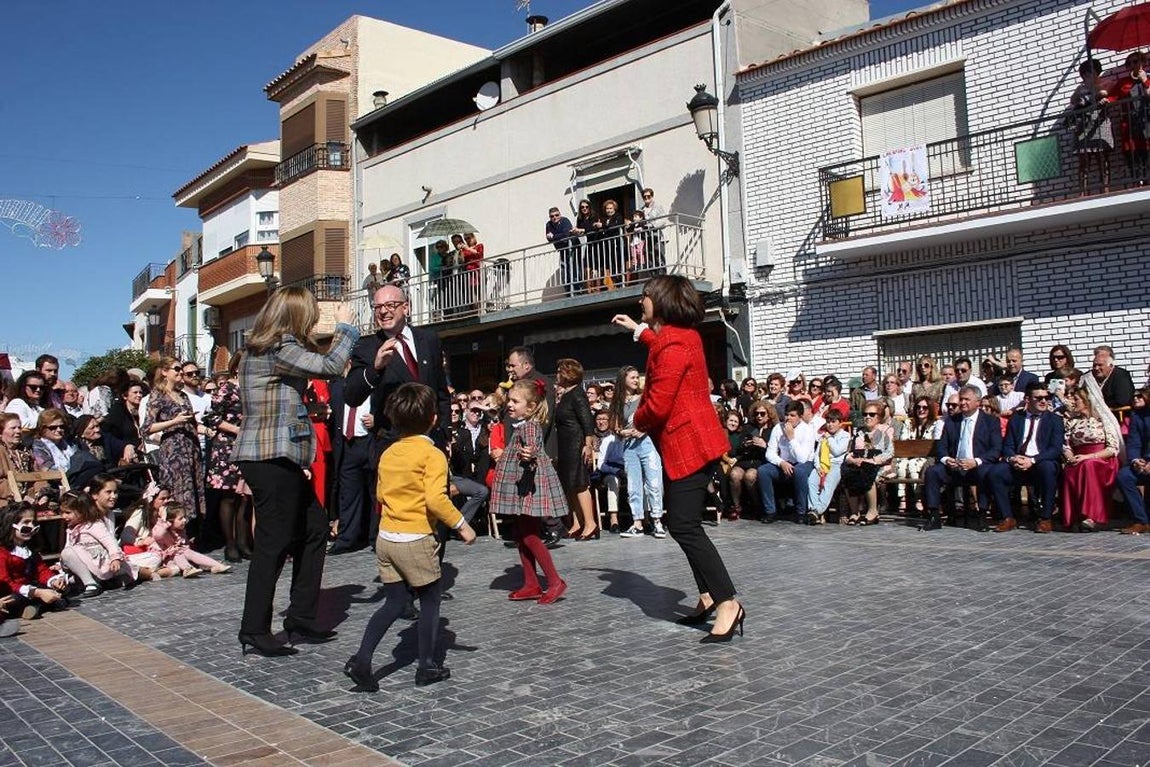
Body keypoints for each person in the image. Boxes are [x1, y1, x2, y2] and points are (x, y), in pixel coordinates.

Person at [612, 275, 743, 643]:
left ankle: (728, 602)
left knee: (685, 526)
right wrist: (639, 330)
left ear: (662, 300)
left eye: (645, 296)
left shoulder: (673, 342)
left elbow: (658, 403)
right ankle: (708, 595)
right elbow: (661, 348)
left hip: (689, 445)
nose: (641, 301)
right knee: (684, 523)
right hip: (691, 444)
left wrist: (634, 422)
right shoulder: (681, 336)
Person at [232, 287, 359, 658]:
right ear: (295, 315)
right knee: (273, 542)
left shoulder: (264, 348)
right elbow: (331, 367)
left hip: (274, 454)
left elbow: (274, 402)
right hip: (268, 456)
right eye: (311, 314)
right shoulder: (277, 347)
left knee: (315, 528)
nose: (314, 320)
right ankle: (254, 628)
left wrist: (307, 413)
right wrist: (346, 329)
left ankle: (300, 617)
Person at [344, 383, 476, 691]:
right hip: (415, 538)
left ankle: (362, 659)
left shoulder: (389, 452)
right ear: (433, 419)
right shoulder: (432, 454)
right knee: (430, 601)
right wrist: (462, 525)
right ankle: (426, 665)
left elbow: (380, 494)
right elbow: (435, 499)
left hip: (386, 538)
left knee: (393, 602)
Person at [345, 284, 451, 544]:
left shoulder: (429, 340)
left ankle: (432, 564)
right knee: (402, 520)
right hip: (394, 445)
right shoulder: (366, 347)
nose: (384, 312)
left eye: (390, 305)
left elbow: (441, 392)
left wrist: (445, 432)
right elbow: (352, 395)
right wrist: (375, 368)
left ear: (406, 307)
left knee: (436, 513)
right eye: (378, 307)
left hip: (432, 443)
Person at [490, 379, 568, 604]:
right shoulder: (522, 425)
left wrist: (529, 455)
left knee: (530, 535)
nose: (510, 404)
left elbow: (532, 447)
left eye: (516, 401)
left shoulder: (530, 426)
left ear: (531, 406)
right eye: (510, 400)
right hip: (522, 485)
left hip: (529, 486)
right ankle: (531, 583)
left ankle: (554, 581)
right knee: (521, 533)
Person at [921, 385, 1002, 531]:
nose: (963, 403)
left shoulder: (990, 421)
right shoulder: (952, 421)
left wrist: (976, 462)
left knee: (985, 472)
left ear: (978, 402)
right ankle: (934, 515)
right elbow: (942, 446)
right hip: (955, 465)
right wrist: (946, 459)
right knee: (933, 472)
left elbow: (995, 450)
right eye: (961, 399)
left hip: (977, 465)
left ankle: (982, 515)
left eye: (967, 400)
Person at [986, 382, 1065, 533]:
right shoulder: (1017, 418)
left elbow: (1055, 449)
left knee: (1048, 468)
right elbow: (1008, 445)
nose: (1043, 401)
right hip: (1019, 461)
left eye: (1046, 397)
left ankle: (1045, 518)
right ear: (1027, 399)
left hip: (1040, 461)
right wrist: (1012, 458)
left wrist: (1032, 460)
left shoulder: (1054, 420)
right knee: (996, 472)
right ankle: (1007, 517)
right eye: (1038, 398)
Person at [143, 357, 207, 532]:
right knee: (178, 493)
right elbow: (147, 428)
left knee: (193, 491)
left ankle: (192, 534)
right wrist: (174, 421)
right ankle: (174, 534)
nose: (180, 372)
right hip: (174, 452)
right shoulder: (157, 394)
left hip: (191, 448)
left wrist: (207, 430)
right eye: (177, 369)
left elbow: (192, 423)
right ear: (165, 372)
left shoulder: (183, 395)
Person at [609, 365, 666, 538]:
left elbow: (656, 418)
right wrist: (622, 432)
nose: (636, 380)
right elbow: (615, 427)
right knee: (633, 486)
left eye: (636, 377)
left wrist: (644, 429)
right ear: (623, 379)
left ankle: (657, 521)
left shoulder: (643, 398)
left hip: (647, 443)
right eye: (632, 377)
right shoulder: (617, 402)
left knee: (654, 483)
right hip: (629, 446)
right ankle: (637, 523)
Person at [202, 359, 250, 563]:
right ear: (236, 367)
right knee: (228, 497)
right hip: (227, 446)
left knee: (244, 496)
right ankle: (230, 544)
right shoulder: (226, 388)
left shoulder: (252, 387)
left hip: (247, 446)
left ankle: (243, 541)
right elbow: (212, 417)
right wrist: (236, 429)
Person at [1061, 380, 1122, 532]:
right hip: (1079, 458)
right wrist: (1069, 457)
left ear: (1086, 401)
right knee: (1070, 469)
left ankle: (1091, 516)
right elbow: (1066, 445)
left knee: (1087, 466)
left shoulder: (1102, 421)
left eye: (1076, 399)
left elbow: (1112, 448)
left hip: (1102, 459)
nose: (1072, 402)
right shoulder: (1072, 422)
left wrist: (1088, 457)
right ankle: (1075, 516)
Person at [58, 486, 137, 597]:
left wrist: (115, 558)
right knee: (67, 556)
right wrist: (62, 564)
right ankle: (93, 581)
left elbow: (109, 541)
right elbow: (68, 548)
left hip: (99, 564)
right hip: (85, 565)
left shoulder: (93, 525)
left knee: (67, 553)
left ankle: (91, 583)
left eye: (68, 512)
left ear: (82, 511)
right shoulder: (71, 529)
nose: (63, 516)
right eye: (62, 512)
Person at [0, 503, 70, 620]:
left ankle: (36, 606)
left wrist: (53, 581)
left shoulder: (29, 549)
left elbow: (41, 570)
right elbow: (6, 582)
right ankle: (39, 606)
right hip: (12, 591)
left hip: (30, 587)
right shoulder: (3, 552)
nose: (31, 527)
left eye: (33, 523)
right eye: (26, 523)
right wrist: (37, 592)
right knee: (13, 600)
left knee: (59, 589)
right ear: (11, 525)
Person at [553, 359, 597, 540]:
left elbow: (587, 421)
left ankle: (590, 523)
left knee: (579, 483)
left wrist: (588, 445)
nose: (557, 374)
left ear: (567, 374)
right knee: (570, 485)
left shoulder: (577, 394)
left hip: (576, 444)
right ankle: (577, 522)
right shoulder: (566, 394)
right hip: (565, 445)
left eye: (559, 371)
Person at [757, 401, 817, 524]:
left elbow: (802, 458)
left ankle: (801, 512)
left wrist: (791, 438)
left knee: (799, 472)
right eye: (787, 415)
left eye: (792, 415)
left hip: (803, 463)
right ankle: (770, 511)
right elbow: (770, 453)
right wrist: (781, 463)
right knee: (763, 471)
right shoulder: (778, 428)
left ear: (800, 416)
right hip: (784, 462)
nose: (788, 418)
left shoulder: (807, 430)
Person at [840, 403, 894, 526]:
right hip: (860, 464)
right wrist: (852, 460)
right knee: (848, 471)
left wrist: (873, 461)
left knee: (867, 471)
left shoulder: (886, 431)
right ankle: (854, 512)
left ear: (878, 417)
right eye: (865, 414)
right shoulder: (859, 432)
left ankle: (872, 511)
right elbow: (849, 452)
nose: (867, 417)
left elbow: (889, 453)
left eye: (871, 414)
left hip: (880, 465)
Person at [151, 501, 231, 577]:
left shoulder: (180, 530)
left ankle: (216, 565)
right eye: (180, 518)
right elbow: (159, 534)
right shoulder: (162, 529)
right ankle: (188, 569)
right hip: (168, 559)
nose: (184, 520)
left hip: (181, 556)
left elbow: (185, 546)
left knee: (188, 552)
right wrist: (163, 520)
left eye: (184, 517)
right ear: (170, 521)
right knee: (178, 554)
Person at [806, 410, 850, 524]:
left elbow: (837, 451)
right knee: (811, 481)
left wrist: (829, 438)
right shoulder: (823, 437)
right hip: (822, 464)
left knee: (828, 484)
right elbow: (817, 454)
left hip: (836, 464)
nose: (830, 425)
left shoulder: (845, 436)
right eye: (828, 422)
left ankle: (817, 510)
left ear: (840, 423)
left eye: (833, 422)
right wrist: (818, 467)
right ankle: (813, 510)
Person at [1117, 387, 1150, 534]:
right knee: (1124, 476)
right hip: (1143, 462)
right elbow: (1133, 442)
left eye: (1140, 396)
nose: (1136, 399)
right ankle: (1141, 520)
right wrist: (1135, 460)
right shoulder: (1137, 416)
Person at [31, 409, 76, 474]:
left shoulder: (69, 443)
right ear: (42, 429)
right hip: (58, 478)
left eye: (62, 426)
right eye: (53, 427)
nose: (59, 430)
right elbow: (46, 470)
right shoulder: (39, 446)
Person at [1091, 344, 1135, 410]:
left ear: (1110, 365)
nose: (1096, 368)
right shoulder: (1090, 376)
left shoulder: (1121, 376)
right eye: (1094, 365)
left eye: (1100, 365)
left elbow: (1123, 400)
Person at [546, 206, 578, 296]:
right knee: (564, 269)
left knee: (573, 267)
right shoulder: (548, 224)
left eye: (557, 215)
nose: (555, 217)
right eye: (552, 216)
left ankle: (576, 290)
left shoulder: (565, 221)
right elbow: (548, 238)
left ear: (560, 215)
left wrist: (554, 236)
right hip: (562, 249)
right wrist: (555, 237)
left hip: (572, 247)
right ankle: (568, 291)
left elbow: (566, 234)